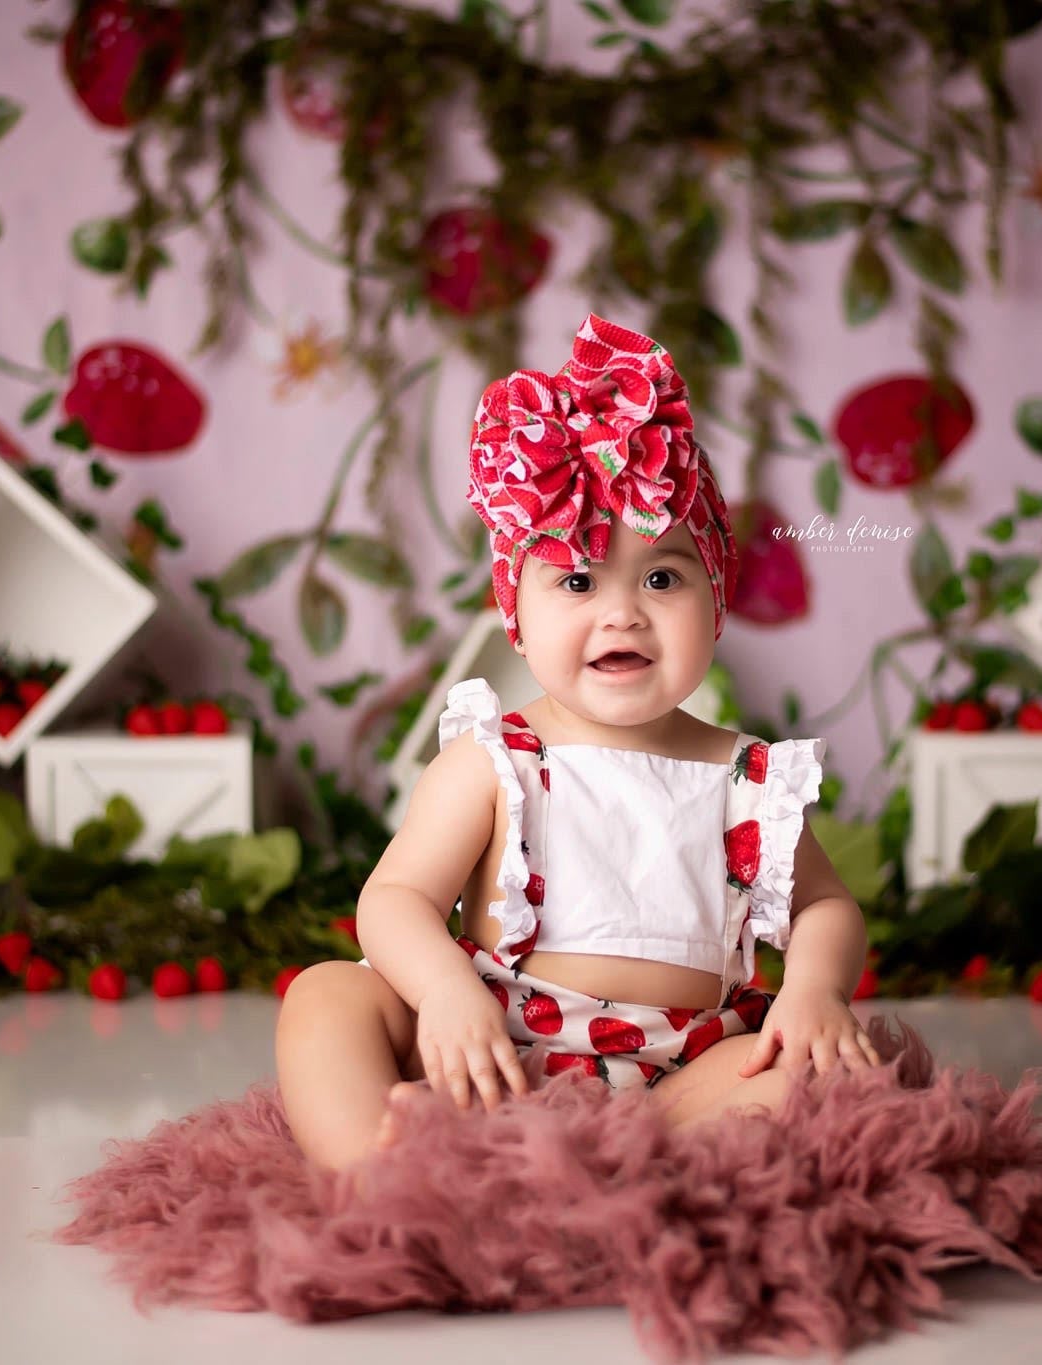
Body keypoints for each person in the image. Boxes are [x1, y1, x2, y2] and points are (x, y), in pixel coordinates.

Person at [275, 314, 879, 1170]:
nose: (622, 611)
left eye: (662, 577)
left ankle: (635, 1168)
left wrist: (812, 989)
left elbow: (825, 907)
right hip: (490, 1056)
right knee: (326, 996)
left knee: (806, 1083)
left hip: (677, 1078)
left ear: (716, 600)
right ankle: (374, 1165)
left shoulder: (744, 777)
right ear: (516, 615)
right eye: (578, 579)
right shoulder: (496, 760)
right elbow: (396, 898)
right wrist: (444, 992)